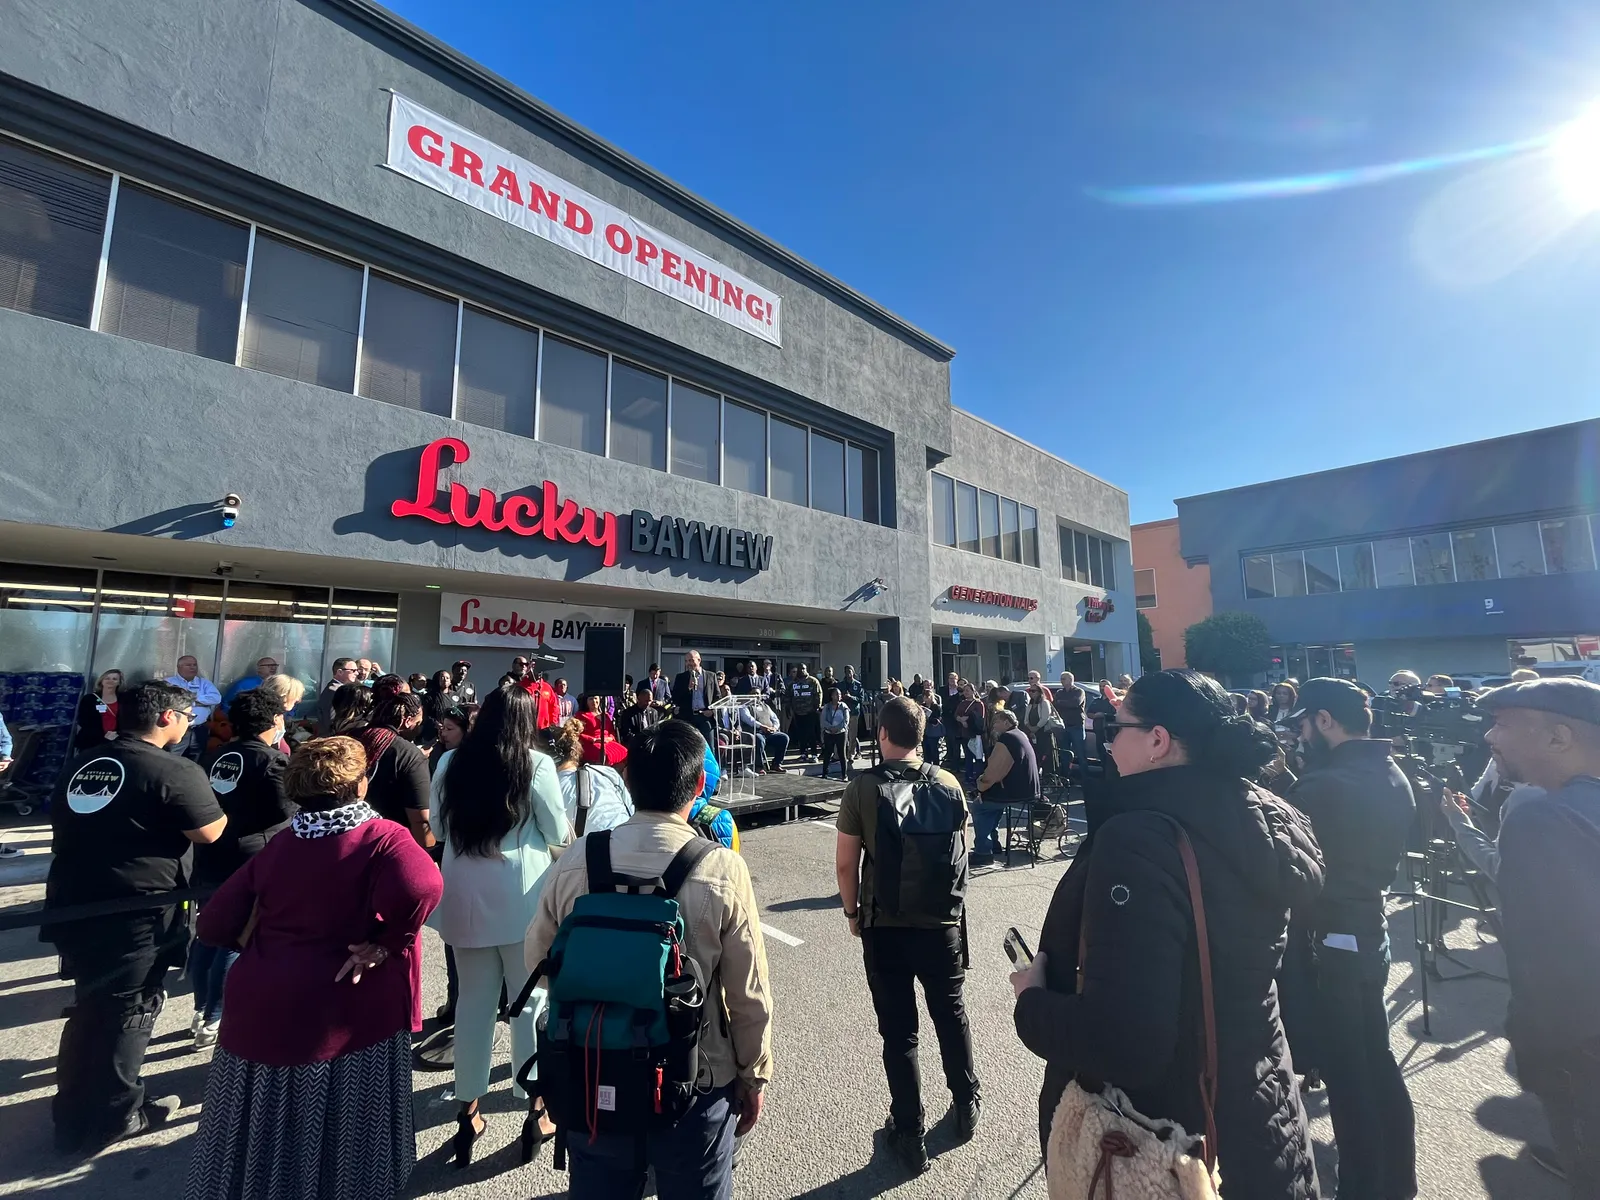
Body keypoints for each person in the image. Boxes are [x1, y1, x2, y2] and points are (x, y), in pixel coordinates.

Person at [1010, 668, 1323, 1197]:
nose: (1108, 743)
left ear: (1157, 741)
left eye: (1117, 726)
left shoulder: (1140, 838)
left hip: (1168, 1146)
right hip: (1262, 1115)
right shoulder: (1260, 822)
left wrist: (1033, 1001)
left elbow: (1126, 1041)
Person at [183, 737, 442, 1200]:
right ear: (361, 785)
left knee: (256, 1125)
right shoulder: (382, 837)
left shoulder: (283, 843)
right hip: (344, 1006)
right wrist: (387, 943)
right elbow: (423, 885)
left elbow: (215, 923)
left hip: (262, 996)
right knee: (347, 1128)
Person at [526, 721, 773, 1195]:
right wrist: (752, 1076)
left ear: (628, 780)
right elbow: (748, 993)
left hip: (591, 1071)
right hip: (694, 1079)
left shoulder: (579, 858)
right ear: (699, 783)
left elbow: (537, 963)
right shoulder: (721, 866)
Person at [44, 681, 227, 1154]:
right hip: (137, 910)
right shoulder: (172, 768)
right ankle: (117, 1113)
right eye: (187, 714)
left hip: (75, 900)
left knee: (89, 1007)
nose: (190, 722)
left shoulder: (83, 760)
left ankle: (72, 1111)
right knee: (129, 1011)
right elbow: (209, 831)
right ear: (166, 716)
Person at [1287, 677, 1418, 1200]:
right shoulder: (1390, 771)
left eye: (1302, 724)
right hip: (1369, 929)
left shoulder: (1322, 787)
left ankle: (1366, 1186)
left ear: (1324, 720)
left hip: (1329, 939)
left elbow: (1285, 868)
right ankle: (1396, 1180)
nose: (1297, 736)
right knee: (1374, 1060)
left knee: (1350, 1076)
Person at [835, 696, 978, 1175]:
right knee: (951, 1014)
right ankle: (965, 1105)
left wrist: (853, 912)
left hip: (887, 926)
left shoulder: (862, 788)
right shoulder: (949, 782)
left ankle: (909, 1131)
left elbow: (845, 862)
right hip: (942, 924)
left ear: (882, 735)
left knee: (900, 1033)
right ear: (922, 736)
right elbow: (965, 849)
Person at [430, 685, 569, 1168]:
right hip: (522, 896)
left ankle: (468, 1111)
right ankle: (535, 1104)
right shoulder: (535, 765)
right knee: (530, 1001)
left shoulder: (451, 762)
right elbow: (558, 831)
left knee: (473, 1004)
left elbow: (439, 829)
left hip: (463, 893)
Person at [1477, 678, 1600, 1192]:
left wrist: (1537, 1050)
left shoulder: (1543, 819)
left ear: (1558, 738)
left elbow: (1554, 967)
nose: (1489, 737)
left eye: (1503, 723)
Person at [189, 689, 293, 1048]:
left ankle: (201, 1007)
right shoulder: (272, 762)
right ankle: (216, 1016)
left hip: (212, 855)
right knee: (236, 938)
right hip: (252, 858)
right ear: (275, 720)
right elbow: (286, 810)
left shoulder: (215, 756)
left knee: (208, 932)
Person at [358, 692, 434, 848]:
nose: (419, 728)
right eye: (418, 723)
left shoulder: (349, 737)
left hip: (342, 837)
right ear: (407, 722)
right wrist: (428, 853)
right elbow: (420, 820)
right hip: (386, 844)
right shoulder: (409, 755)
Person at [973, 707, 1040, 865]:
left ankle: (983, 852)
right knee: (991, 806)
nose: (993, 725)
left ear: (1006, 722)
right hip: (1027, 790)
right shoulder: (1020, 734)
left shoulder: (1007, 740)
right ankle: (993, 844)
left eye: (996, 721)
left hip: (1015, 792)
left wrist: (980, 786)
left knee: (979, 806)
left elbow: (994, 773)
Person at [546, 717, 635, 835]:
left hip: (588, 850)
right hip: (629, 840)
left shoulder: (549, 790)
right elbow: (631, 811)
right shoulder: (608, 773)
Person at [165, 655, 222, 761]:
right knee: (172, 759)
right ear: (179, 667)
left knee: (197, 760)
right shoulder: (169, 682)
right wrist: (201, 703)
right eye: (188, 665)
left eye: (195, 665)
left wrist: (192, 697)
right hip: (177, 729)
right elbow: (168, 702)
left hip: (200, 730)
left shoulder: (204, 683)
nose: (193, 667)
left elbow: (216, 698)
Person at [671, 650, 717, 743]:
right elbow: (675, 698)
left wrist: (712, 711)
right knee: (687, 747)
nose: (688, 663)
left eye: (691, 660)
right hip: (687, 717)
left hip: (704, 716)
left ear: (699, 660)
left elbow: (717, 696)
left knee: (708, 747)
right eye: (686, 661)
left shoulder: (711, 676)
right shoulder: (681, 677)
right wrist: (688, 687)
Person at [1020, 682, 1065, 777]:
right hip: (1033, 734)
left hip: (1044, 733)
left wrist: (1036, 728)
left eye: (1033, 691)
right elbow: (1026, 720)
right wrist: (1030, 729)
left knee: (1047, 758)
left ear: (1039, 692)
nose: (1031, 693)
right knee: (1036, 757)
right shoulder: (1030, 704)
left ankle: (1050, 779)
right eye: (1029, 691)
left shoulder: (1044, 703)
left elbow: (1045, 718)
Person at [74, 670, 123, 753]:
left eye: (114, 679)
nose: (110, 681)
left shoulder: (124, 700)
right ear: (102, 681)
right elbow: (83, 720)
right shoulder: (89, 699)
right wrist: (103, 737)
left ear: (119, 683)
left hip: (116, 742)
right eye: (107, 678)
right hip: (91, 742)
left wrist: (117, 734)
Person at [740, 691, 789, 774]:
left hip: (770, 732)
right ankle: (759, 767)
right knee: (758, 739)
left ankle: (776, 764)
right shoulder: (745, 707)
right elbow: (748, 719)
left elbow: (775, 718)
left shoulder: (766, 706)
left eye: (757, 694)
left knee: (784, 738)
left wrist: (774, 728)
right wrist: (761, 726)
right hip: (756, 732)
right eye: (753, 694)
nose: (755, 695)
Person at [257, 673, 306, 750]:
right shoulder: (265, 721)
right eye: (296, 695)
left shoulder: (277, 716)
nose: (298, 700)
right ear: (285, 696)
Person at [576, 692, 627, 766]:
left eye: (596, 698)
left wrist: (609, 738)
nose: (594, 701)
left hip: (607, 741)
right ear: (586, 701)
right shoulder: (581, 715)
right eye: (591, 699)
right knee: (606, 755)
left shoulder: (606, 715)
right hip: (591, 743)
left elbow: (611, 731)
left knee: (625, 752)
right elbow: (577, 733)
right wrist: (593, 739)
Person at [1053, 672, 1087, 777]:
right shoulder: (1059, 692)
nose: (1062, 681)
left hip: (1076, 726)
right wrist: (1065, 702)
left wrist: (1061, 702)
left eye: (1064, 679)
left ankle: (1085, 780)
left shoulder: (1079, 691)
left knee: (1081, 754)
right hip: (1064, 727)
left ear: (1071, 680)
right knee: (1064, 755)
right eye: (1061, 679)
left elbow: (1075, 703)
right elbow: (1055, 705)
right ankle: (1066, 778)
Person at [788, 663, 823, 761]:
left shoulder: (812, 681)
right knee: (801, 734)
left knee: (811, 734)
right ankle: (803, 754)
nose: (801, 670)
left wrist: (817, 707)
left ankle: (814, 754)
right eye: (800, 669)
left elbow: (819, 694)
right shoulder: (793, 683)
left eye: (803, 669)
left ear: (806, 669)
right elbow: (788, 696)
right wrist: (789, 707)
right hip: (798, 713)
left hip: (810, 712)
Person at [318, 658, 361, 733]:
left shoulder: (341, 689)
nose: (357, 673)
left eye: (357, 670)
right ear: (340, 672)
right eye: (353, 670)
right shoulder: (334, 690)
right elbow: (330, 719)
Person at [618, 682, 662, 750]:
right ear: (639, 699)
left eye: (650, 701)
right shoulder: (628, 713)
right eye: (646, 701)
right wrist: (640, 740)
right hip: (635, 745)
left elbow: (656, 729)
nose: (647, 703)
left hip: (650, 744)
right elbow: (626, 733)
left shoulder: (654, 712)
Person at [820, 686, 852, 780]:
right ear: (831, 696)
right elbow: (823, 720)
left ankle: (844, 775)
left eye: (839, 694)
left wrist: (837, 728)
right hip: (829, 733)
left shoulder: (844, 706)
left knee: (842, 754)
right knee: (827, 753)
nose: (838, 696)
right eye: (836, 694)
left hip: (840, 733)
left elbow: (846, 721)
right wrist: (830, 728)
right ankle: (824, 773)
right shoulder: (827, 707)